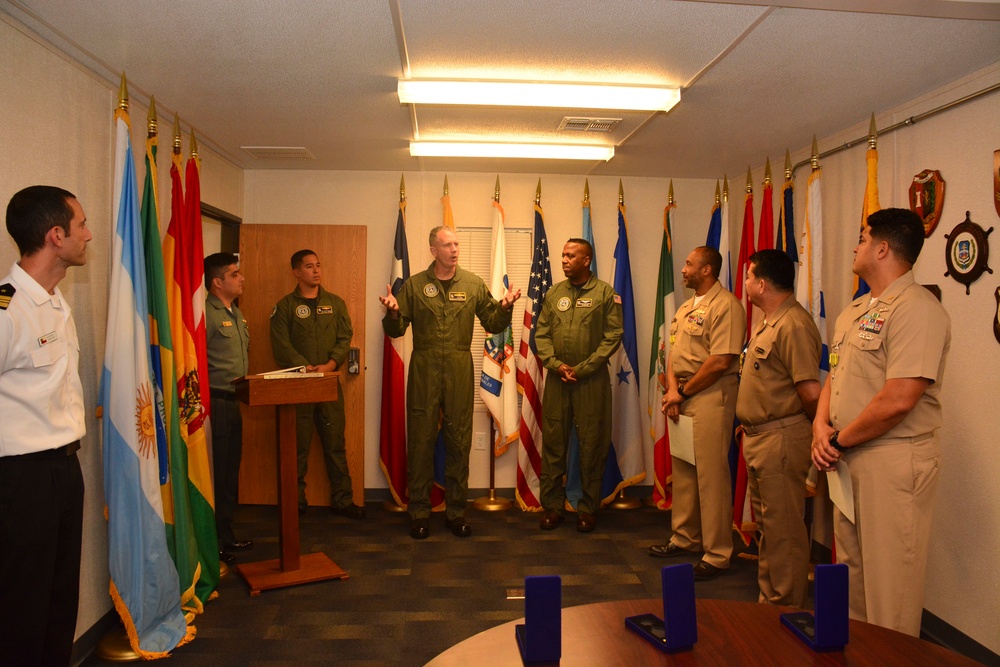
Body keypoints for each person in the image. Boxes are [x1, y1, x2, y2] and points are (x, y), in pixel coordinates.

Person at [812, 208, 950, 636]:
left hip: (892, 461)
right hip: (849, 457)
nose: (856, 246)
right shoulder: (854, 311)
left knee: (891, 590)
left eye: (862, 237)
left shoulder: (916, 309)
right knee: (852, 579)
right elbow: (836, 373)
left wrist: (837, 440)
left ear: (883, 248)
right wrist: (821, 427)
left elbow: (899, 399)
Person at [380, 226, 520, 539]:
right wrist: (392, 313)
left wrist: (506, 306)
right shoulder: (415, 285)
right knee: (420, 442)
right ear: (433, 250)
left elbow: (493, 323)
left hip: (459, 367)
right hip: (425, 369)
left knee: (459, 442)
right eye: (447, 245)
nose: (455, 249)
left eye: (456, 244)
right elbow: (396, 330)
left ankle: (456, 512)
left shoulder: (472, 284)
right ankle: (419, 513)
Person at [0, 185, 91, 665]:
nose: (88, 235)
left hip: (62, 469)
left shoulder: (55, 303)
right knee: (21, 603)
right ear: (56, 235)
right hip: (20, 478)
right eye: (80, 226)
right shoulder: (8, 307)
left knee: (59, 597)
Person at [649, 245, 745, 581]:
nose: (684, 269)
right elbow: (673, 353)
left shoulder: (727, 306)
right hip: (683, 394)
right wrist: (674, 390)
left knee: (711, 476)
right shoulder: (687, 307)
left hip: (709, 396)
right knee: (686, 470)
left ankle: (717, 552)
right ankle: (685, 537)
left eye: (689, 265)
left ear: (707, 270)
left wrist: (683, 392)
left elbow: (721, 360)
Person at [736, 249, 821, 606]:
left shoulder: (794, 325)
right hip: (761, 437)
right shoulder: (770, 321)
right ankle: (770, 605)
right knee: (770, 529)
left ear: (762, 283)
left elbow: (811, 394)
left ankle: (785, 609)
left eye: (748, 276)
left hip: (781, 438)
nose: (745, 284)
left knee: (784, 530)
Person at [534, 238, 622, 533]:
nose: (564, 260)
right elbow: (541, 334)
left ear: (587, 260)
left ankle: (587, 508)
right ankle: (552, 507)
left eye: (571, 256)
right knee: (554, 445)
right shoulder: (554, 293)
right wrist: (556, 365)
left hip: (591, 381)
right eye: (562, 255)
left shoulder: (605, 294)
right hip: (558, 380)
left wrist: (583, 369)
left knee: (590, 444)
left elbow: (613, 336)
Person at [270, 249, 363, 518]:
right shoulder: (284, 307)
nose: (316, 270)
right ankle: (294, 502)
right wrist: (304, 366)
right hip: (298, 384)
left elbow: (345, 337)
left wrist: (332, 364)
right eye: (309, 266)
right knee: (297, 446)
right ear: (297, 272)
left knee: (335, 443)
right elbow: (280, 344)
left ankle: (343, 500)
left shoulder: (335, 303)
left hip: (327, 383)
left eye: (318, 265)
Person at [205, 252, 253, 565]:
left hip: (234, 401)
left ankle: (226, 534)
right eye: (234, 274)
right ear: (217, 282)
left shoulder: (234, 312)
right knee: (218, 473)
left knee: (230, 472)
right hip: (216, 402)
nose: (241, 278)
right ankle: (215, 541)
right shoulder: (205, 314)